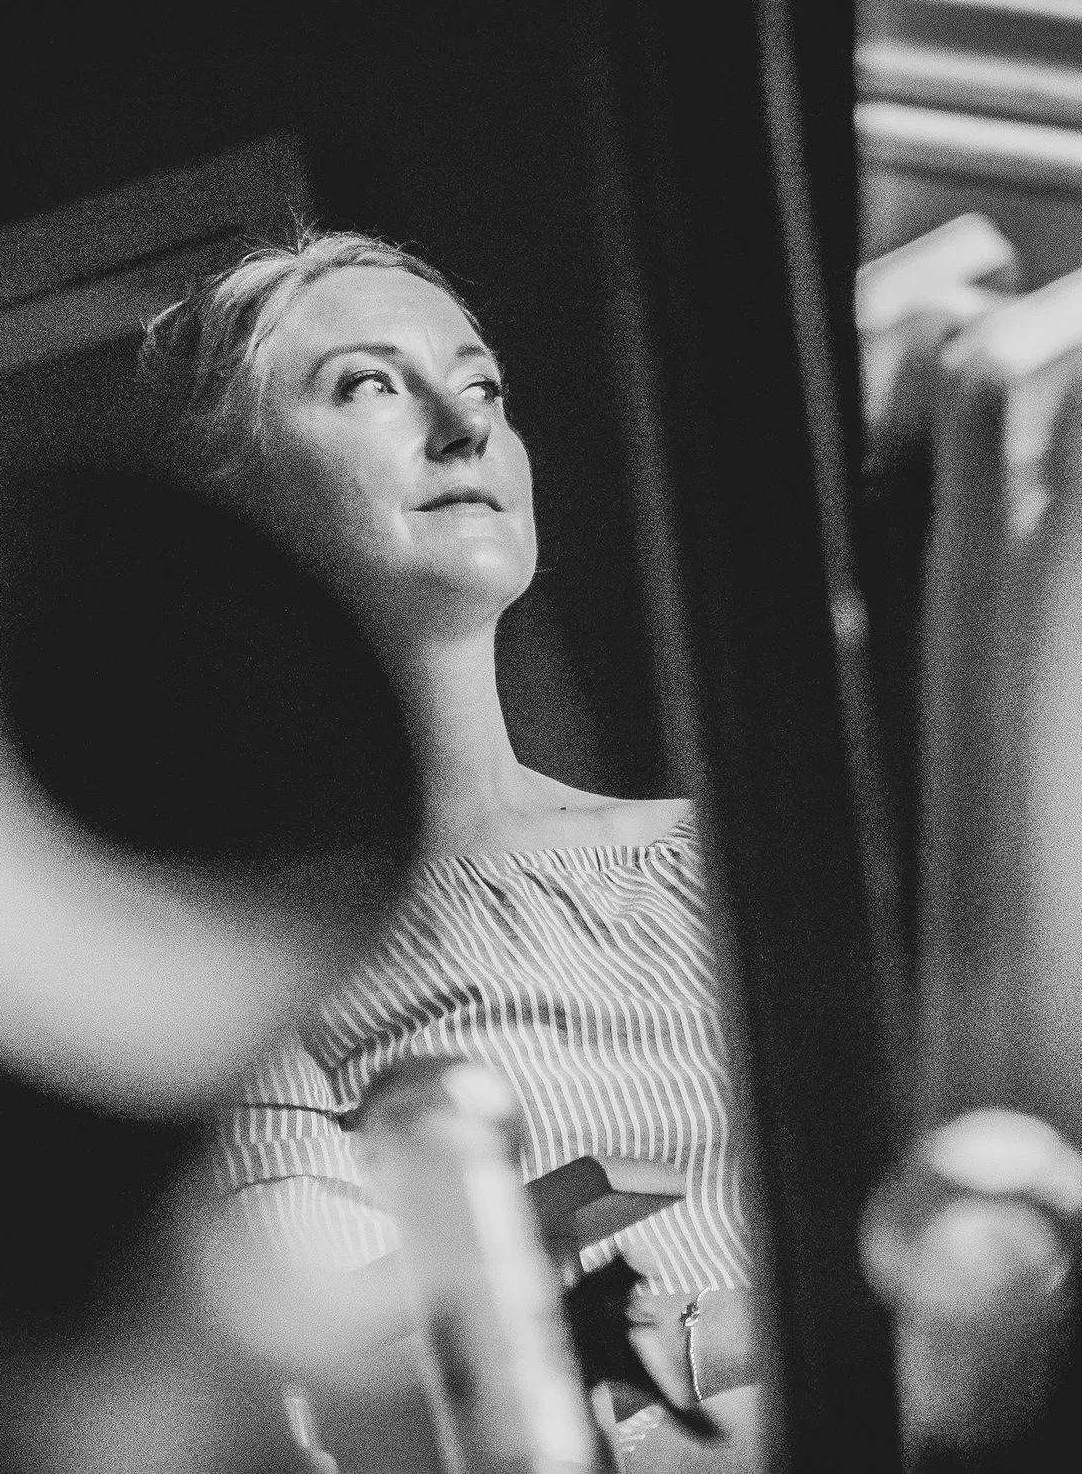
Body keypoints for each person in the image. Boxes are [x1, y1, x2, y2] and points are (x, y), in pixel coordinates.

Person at [141, 231, 759, 1457]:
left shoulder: (721, 856)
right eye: (369, 384)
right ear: (235, 496)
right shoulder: (253, 949)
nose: (463, 426)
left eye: (482, 386)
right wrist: (735, 1337)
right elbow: (355, 1392)